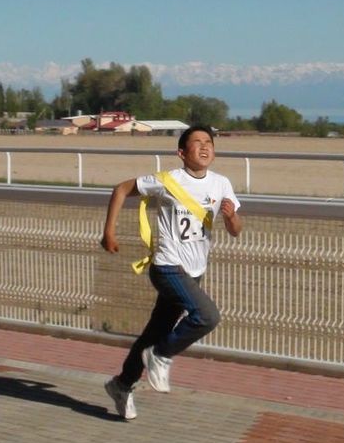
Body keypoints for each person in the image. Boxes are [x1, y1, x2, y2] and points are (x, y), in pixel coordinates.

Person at [100, 125, 243, 419]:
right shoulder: (167, 181)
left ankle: (122, 385)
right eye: (196, 142)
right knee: (207, 316)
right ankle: (161, 355)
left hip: (194, 271)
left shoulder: (221, 184)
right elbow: (121, 189)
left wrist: (231, 217)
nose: (204, 146)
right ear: (181, 152)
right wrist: (109, 232)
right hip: (167, 266)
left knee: (156, 332)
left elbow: (236, 230)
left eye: (208, 142)